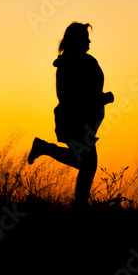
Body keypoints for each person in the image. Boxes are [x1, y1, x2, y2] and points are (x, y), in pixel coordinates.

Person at [27, 22, 114, 207]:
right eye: (85, 38)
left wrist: (99, 99)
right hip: (74, 121)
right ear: (76, 41)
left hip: (85, 122)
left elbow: (89, 91)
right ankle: (80, 204)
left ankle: (80, 203)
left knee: (86, 163)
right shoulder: (69, 66)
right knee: (88, 163)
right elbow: (72, 97)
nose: (89, 41)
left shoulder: (85, 61)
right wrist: (102, 99)